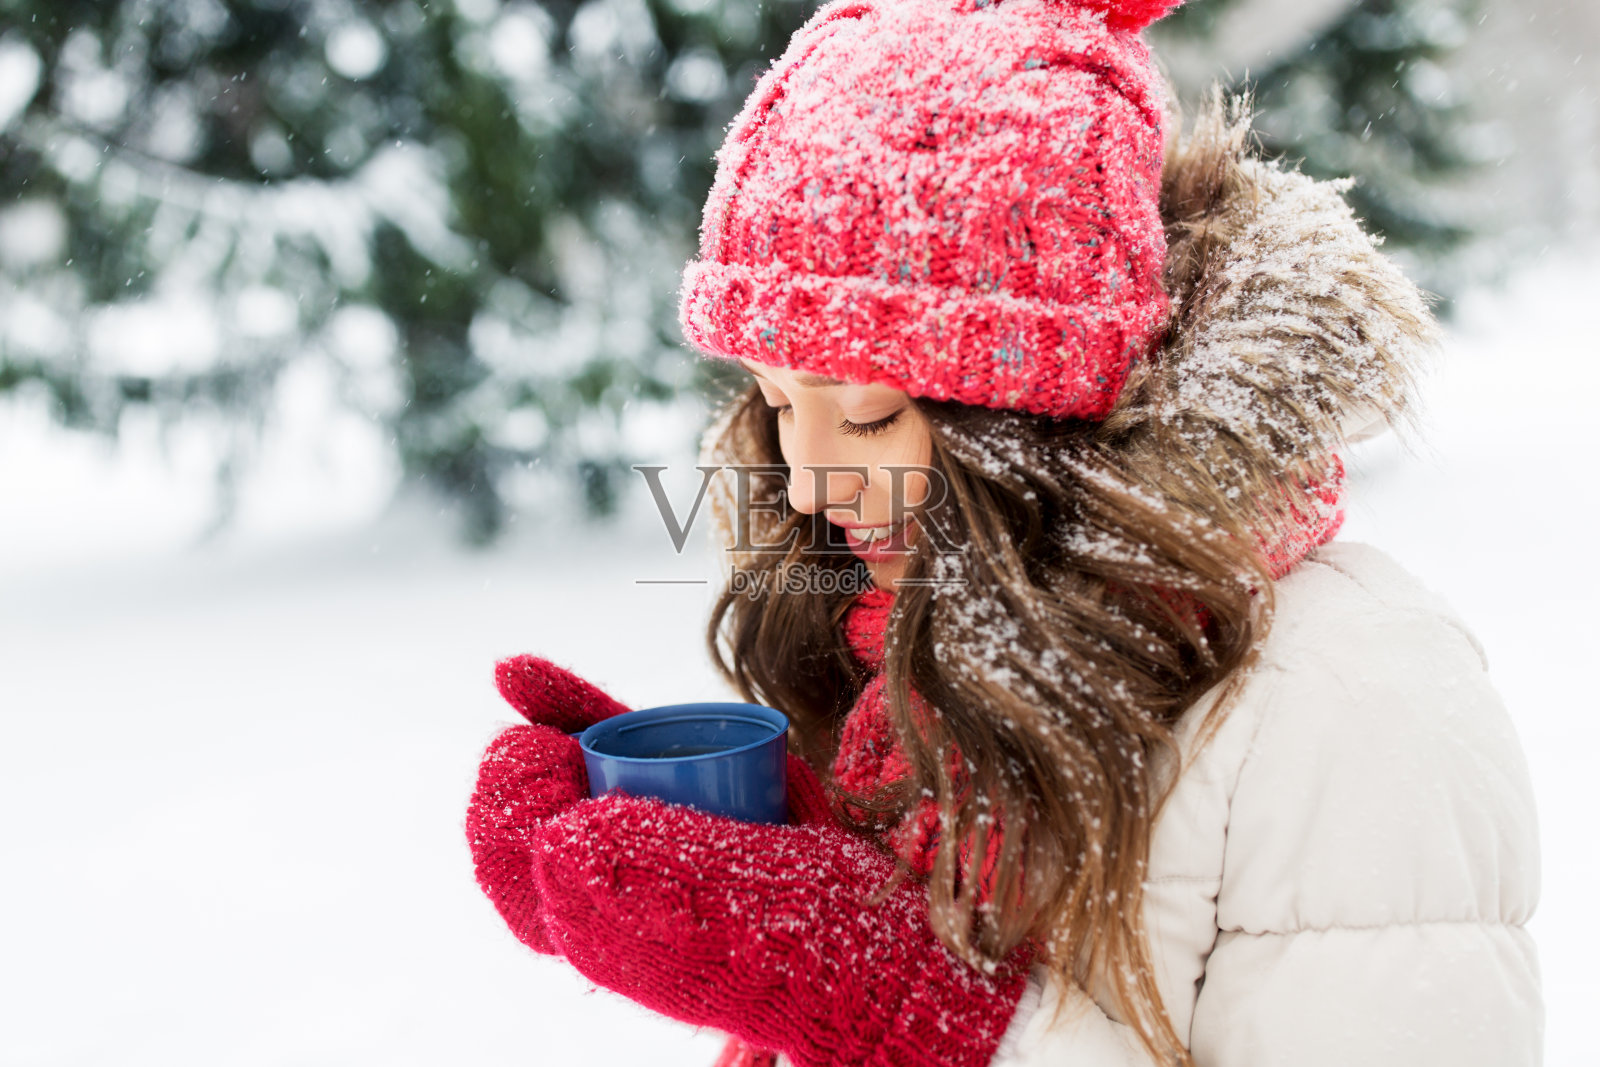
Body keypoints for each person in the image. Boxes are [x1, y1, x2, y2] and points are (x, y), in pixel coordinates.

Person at [464, 1, 1543, 1064]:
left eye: (870, 411)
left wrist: (899, 1007)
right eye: (777, 405)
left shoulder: (1352, 694)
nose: (801, 480)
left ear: (1027, 408)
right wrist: (753, 869)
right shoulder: (905, 637)